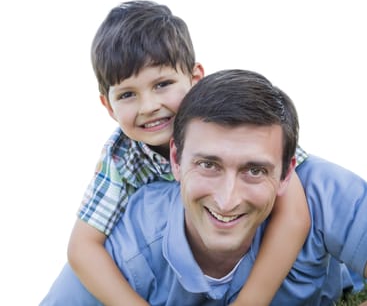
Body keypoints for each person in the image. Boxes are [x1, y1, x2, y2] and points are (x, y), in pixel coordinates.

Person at [40, 3, 310, 306]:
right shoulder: (122, 157)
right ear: (108, 106)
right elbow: (83, 247)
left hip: (247, 253)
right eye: (128, 94)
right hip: (175, 271)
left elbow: (295, 214)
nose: (148, 106)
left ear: (195, 78)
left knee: (321, 183)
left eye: (162, 84)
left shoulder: (233, 119)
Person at [41, 69, 367, 305]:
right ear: (175, 160)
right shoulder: (133, 241)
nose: (227, 200)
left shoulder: (320, 191)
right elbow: (82, 251)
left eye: (254, 170)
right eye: (208, 165)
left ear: (286, 173)